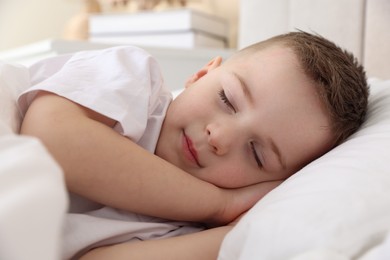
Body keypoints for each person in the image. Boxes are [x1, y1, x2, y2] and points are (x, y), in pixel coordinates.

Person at [18, 31, 369, 260]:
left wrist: (235, 232)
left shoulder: (180, 229)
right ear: (202, 74)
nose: (219, 136)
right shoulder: (136, 81)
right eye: (227, 100)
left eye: (256, 153)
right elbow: (50, 137)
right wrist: (219, 204)